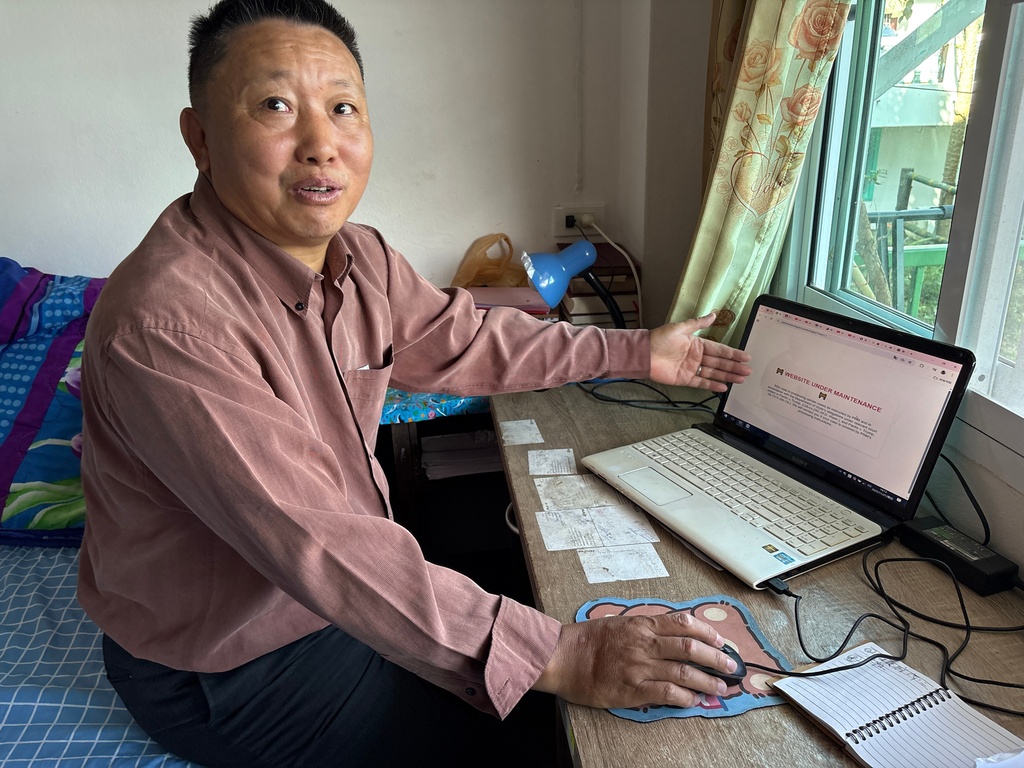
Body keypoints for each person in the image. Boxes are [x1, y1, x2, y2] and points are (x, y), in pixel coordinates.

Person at [77, 1, 753, 766]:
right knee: (551, 740)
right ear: (200, 136)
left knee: (523, 570)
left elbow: (467, 339)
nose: (320, 145)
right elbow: (322, 546)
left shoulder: (357, 258)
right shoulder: (169, 328)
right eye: (275, 106)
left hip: (329, 594)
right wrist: (567, 657)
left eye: (342, 108)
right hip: (234, 663)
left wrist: (637, 352)